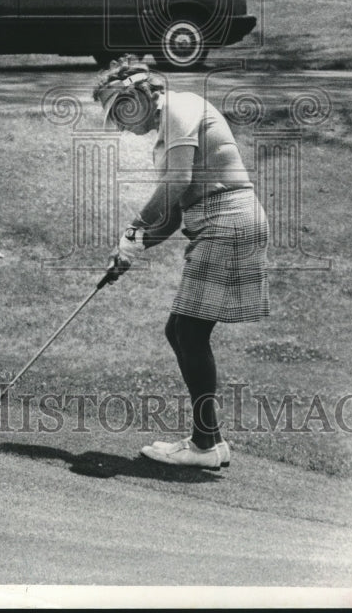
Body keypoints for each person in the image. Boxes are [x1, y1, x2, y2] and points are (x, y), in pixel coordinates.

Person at [93, 55, 269, 470]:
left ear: (135, 95)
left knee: (188, 331)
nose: (118, 124)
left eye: (116, 111)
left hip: (228, 219)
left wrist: (135, 227)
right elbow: (172, 213)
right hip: (218, 222)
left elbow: (178, 182)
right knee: (180, 330)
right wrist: (131, 251)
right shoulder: (169, 127)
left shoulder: (177, 107)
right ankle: (211, 442)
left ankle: (204, 445)